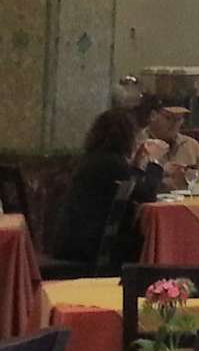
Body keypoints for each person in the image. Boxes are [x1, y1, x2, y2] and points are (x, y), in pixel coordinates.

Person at [49, 108, 163, 268]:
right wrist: (155, 162)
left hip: (73, 240)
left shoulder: (95, 159)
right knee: (146, 241)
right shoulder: (111, 164)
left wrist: (137, 165)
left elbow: (132, 185)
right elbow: (147, 194)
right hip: (89, 246)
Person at [136, 106, 199, 188]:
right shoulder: (137, 143)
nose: (174, 124)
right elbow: (132, 182)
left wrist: (188, 179)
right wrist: (162, 175)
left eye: (178, 119)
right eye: (168, 118)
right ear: (153, 116)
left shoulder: (191, 145)